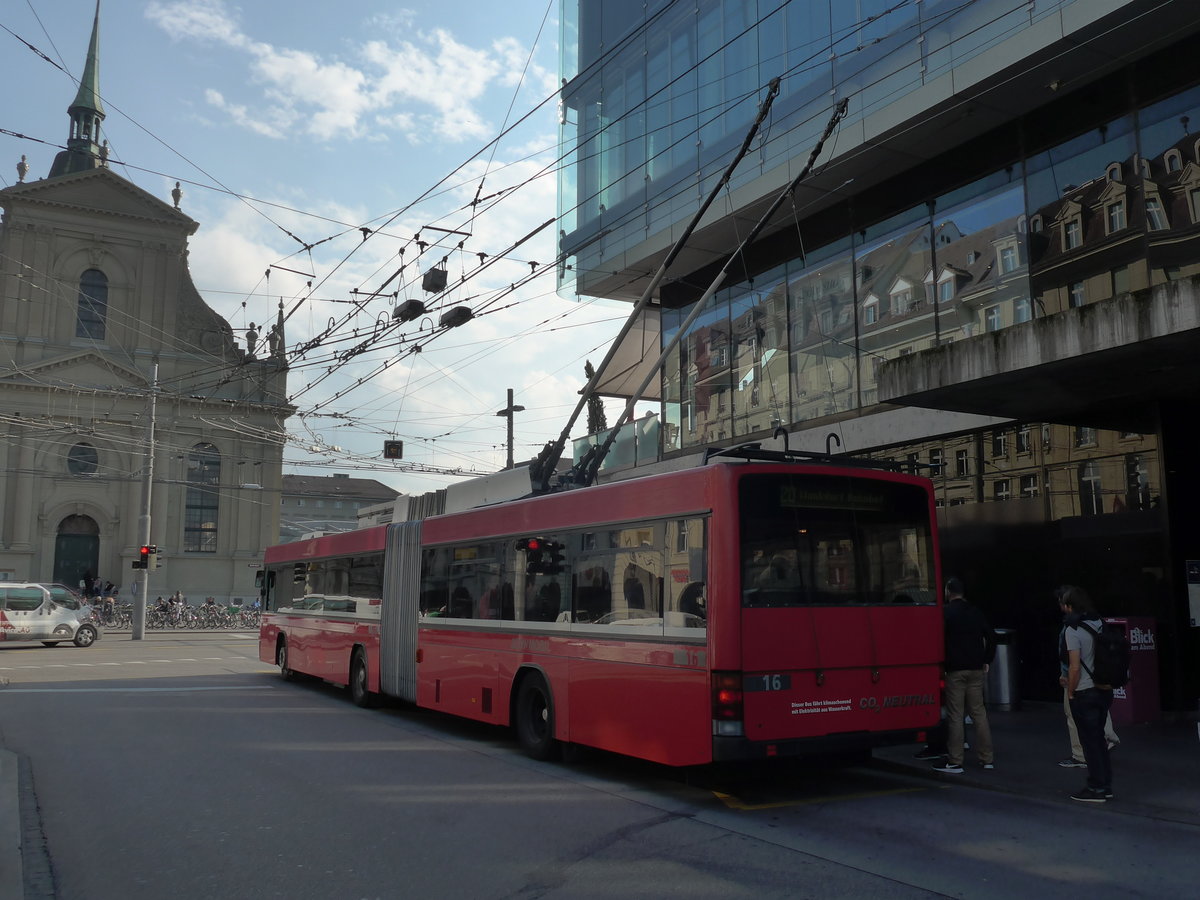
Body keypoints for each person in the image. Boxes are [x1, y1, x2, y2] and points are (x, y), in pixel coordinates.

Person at [932, 576, 996, 774]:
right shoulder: (975, 611)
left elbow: (939, 639)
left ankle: (955, 761)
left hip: (955, 669)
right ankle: (987, 759)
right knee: (979, 713)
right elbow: (991, 635)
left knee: (956, 714)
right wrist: (986, 659)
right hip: (976, 667)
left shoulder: (945, 613)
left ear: (948, 592)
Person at [1062, 585, 1115, 803]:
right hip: (1104, 689)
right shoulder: (1100, 623)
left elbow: (1074, 667)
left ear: (1069, 606)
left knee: (1089, 742)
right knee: (1099, 740)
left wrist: (1071, 691)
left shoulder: (1072, 630)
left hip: (1085, 691)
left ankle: (1096, 787)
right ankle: (1106, 784)